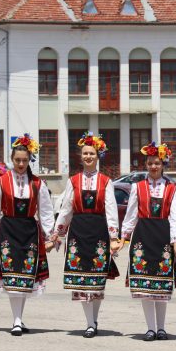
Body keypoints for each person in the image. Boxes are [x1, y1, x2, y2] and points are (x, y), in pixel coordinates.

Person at [0, 134, 56, 336]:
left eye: (24, 160)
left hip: (30, 231)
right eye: (17, 160)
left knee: (25, 277)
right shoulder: (1, 182)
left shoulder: (37, 184)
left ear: (30, 160)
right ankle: (17, 320)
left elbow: (46, 213)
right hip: (8, 232)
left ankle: (18, 319)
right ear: (12, 159)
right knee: (12, 278)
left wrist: (51, 236)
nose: (21, 164)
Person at [53, 132, 120, 338]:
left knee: (97, 281)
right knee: (82, 281)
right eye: (85, 153)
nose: (88, 156)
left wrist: (114, 237)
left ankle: (94, 319)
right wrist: (58, 233)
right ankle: (89, 323)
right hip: (79, 231)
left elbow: (111, 209)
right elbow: (66, 209)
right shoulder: (73, 180)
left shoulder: (106, 181)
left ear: (98, 156)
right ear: (80, 157)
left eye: (92, 153)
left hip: (98, 231)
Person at [116, 141, 176, 341]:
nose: (153, 166)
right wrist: (124, 237)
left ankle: (161, 328)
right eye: (150, 163)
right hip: (143, 237)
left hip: (162, 237)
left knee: (161, 286)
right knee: (146, 287)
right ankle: (150, 328)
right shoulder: (137, 187)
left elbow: (175, 217)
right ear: (146, 165)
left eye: (157, 163)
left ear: (163, 164)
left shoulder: (171, 188)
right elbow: (130, 215)